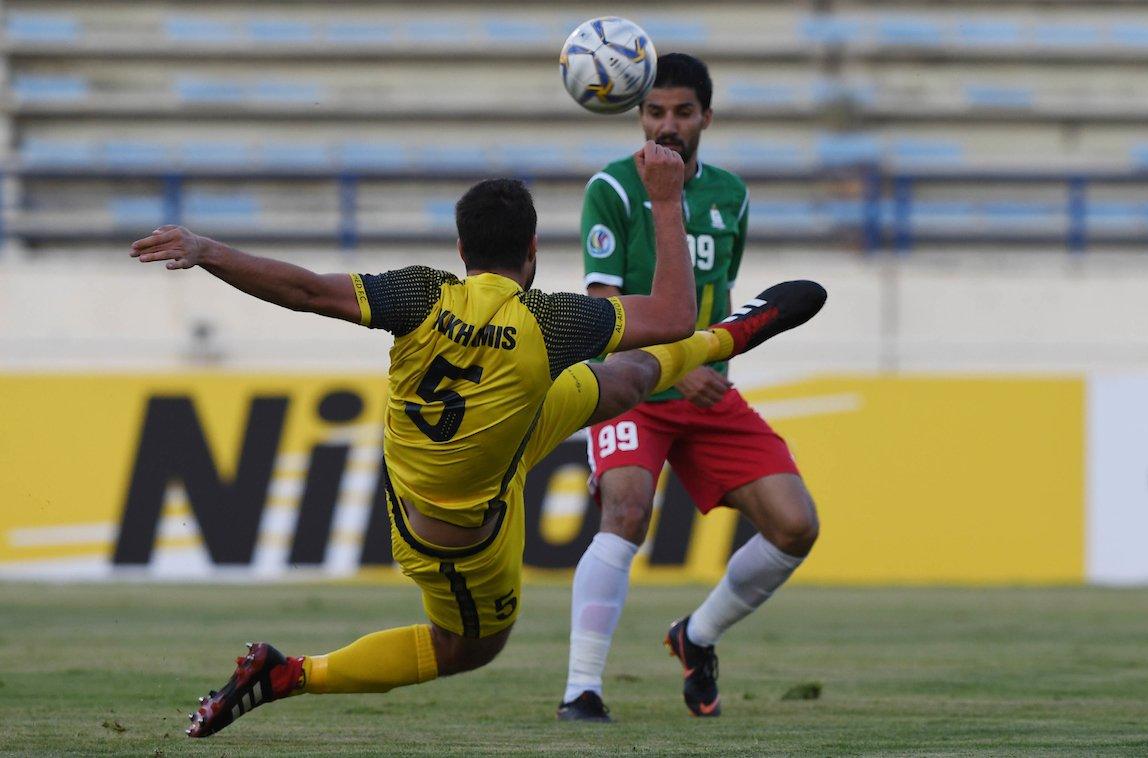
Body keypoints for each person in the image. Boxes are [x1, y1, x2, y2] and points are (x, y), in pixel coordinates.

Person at [129, 143, 826, 738]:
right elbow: (672, 312)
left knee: (617, 388)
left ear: (461, 250)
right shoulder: (550, 320)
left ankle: (729, 335)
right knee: (472, 645)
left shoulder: (420, 295)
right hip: (472, 515)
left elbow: (307, 291)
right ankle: (290, 673)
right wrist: (667, 200)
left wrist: (209, 249)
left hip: (453, 488)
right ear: (532, 250)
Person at [557, 54, 822, 722]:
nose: (667, 125)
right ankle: (580, 689)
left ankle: (696, 636)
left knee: (795, 527)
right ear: (638, 115)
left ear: (706, 115)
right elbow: (602, 312)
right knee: (625, 509)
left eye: (681, 112)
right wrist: (680, 360)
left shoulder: (730, 193)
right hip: (635, 389)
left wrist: (705, 361)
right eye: (654, 112)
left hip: (708, 393)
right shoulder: (612, 191)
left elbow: (722, 294)